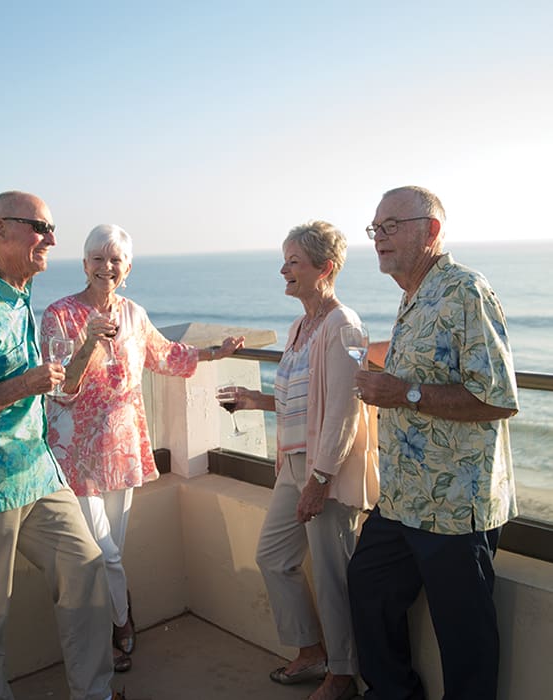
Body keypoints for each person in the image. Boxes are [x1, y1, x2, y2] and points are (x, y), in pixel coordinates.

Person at [0, 191, 120, 700]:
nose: (52, 239)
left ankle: (93, 693)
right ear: (0, 231)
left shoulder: (17, 291)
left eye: (52, 228)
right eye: (40, 227)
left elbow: (45, 383)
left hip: (36, 470)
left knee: (86, 567)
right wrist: (23, 385)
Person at [39, 223, 244, 672]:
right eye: (97, 258)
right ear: (84, 264)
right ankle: (119, 621)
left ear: (127, 268)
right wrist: (91, 337)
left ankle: (113, 619)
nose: (105, 267)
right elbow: (62, 387)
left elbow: (166, 355)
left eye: (115, 260)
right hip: (74, 451)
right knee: (100, 551)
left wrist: (215, 352)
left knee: (112, 549)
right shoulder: (59, 315)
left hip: (123, 447)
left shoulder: (134, 313)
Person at [348, 185, 519, 700]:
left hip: (453, 509)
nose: (379, 238)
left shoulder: (466, 290)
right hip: (402, 499)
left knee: (465, 642)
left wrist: (403, 393)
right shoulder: (413, 295)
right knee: (367, 586)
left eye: (391, 226)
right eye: (375, 228)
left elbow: (498, 398)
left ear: (432, 230)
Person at [222, 220, 379, 700]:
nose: (283, 269)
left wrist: (320, 480)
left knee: (333, 575)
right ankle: (311, 652)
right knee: (274, 557)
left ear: (324, 268)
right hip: (293, 465)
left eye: (293, 261)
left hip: (323, 470)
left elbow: (343, 410)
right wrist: (258, 400)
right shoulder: (299, 325)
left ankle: (343, 674)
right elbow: (306, 399)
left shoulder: (343, 325)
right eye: (286, 260)